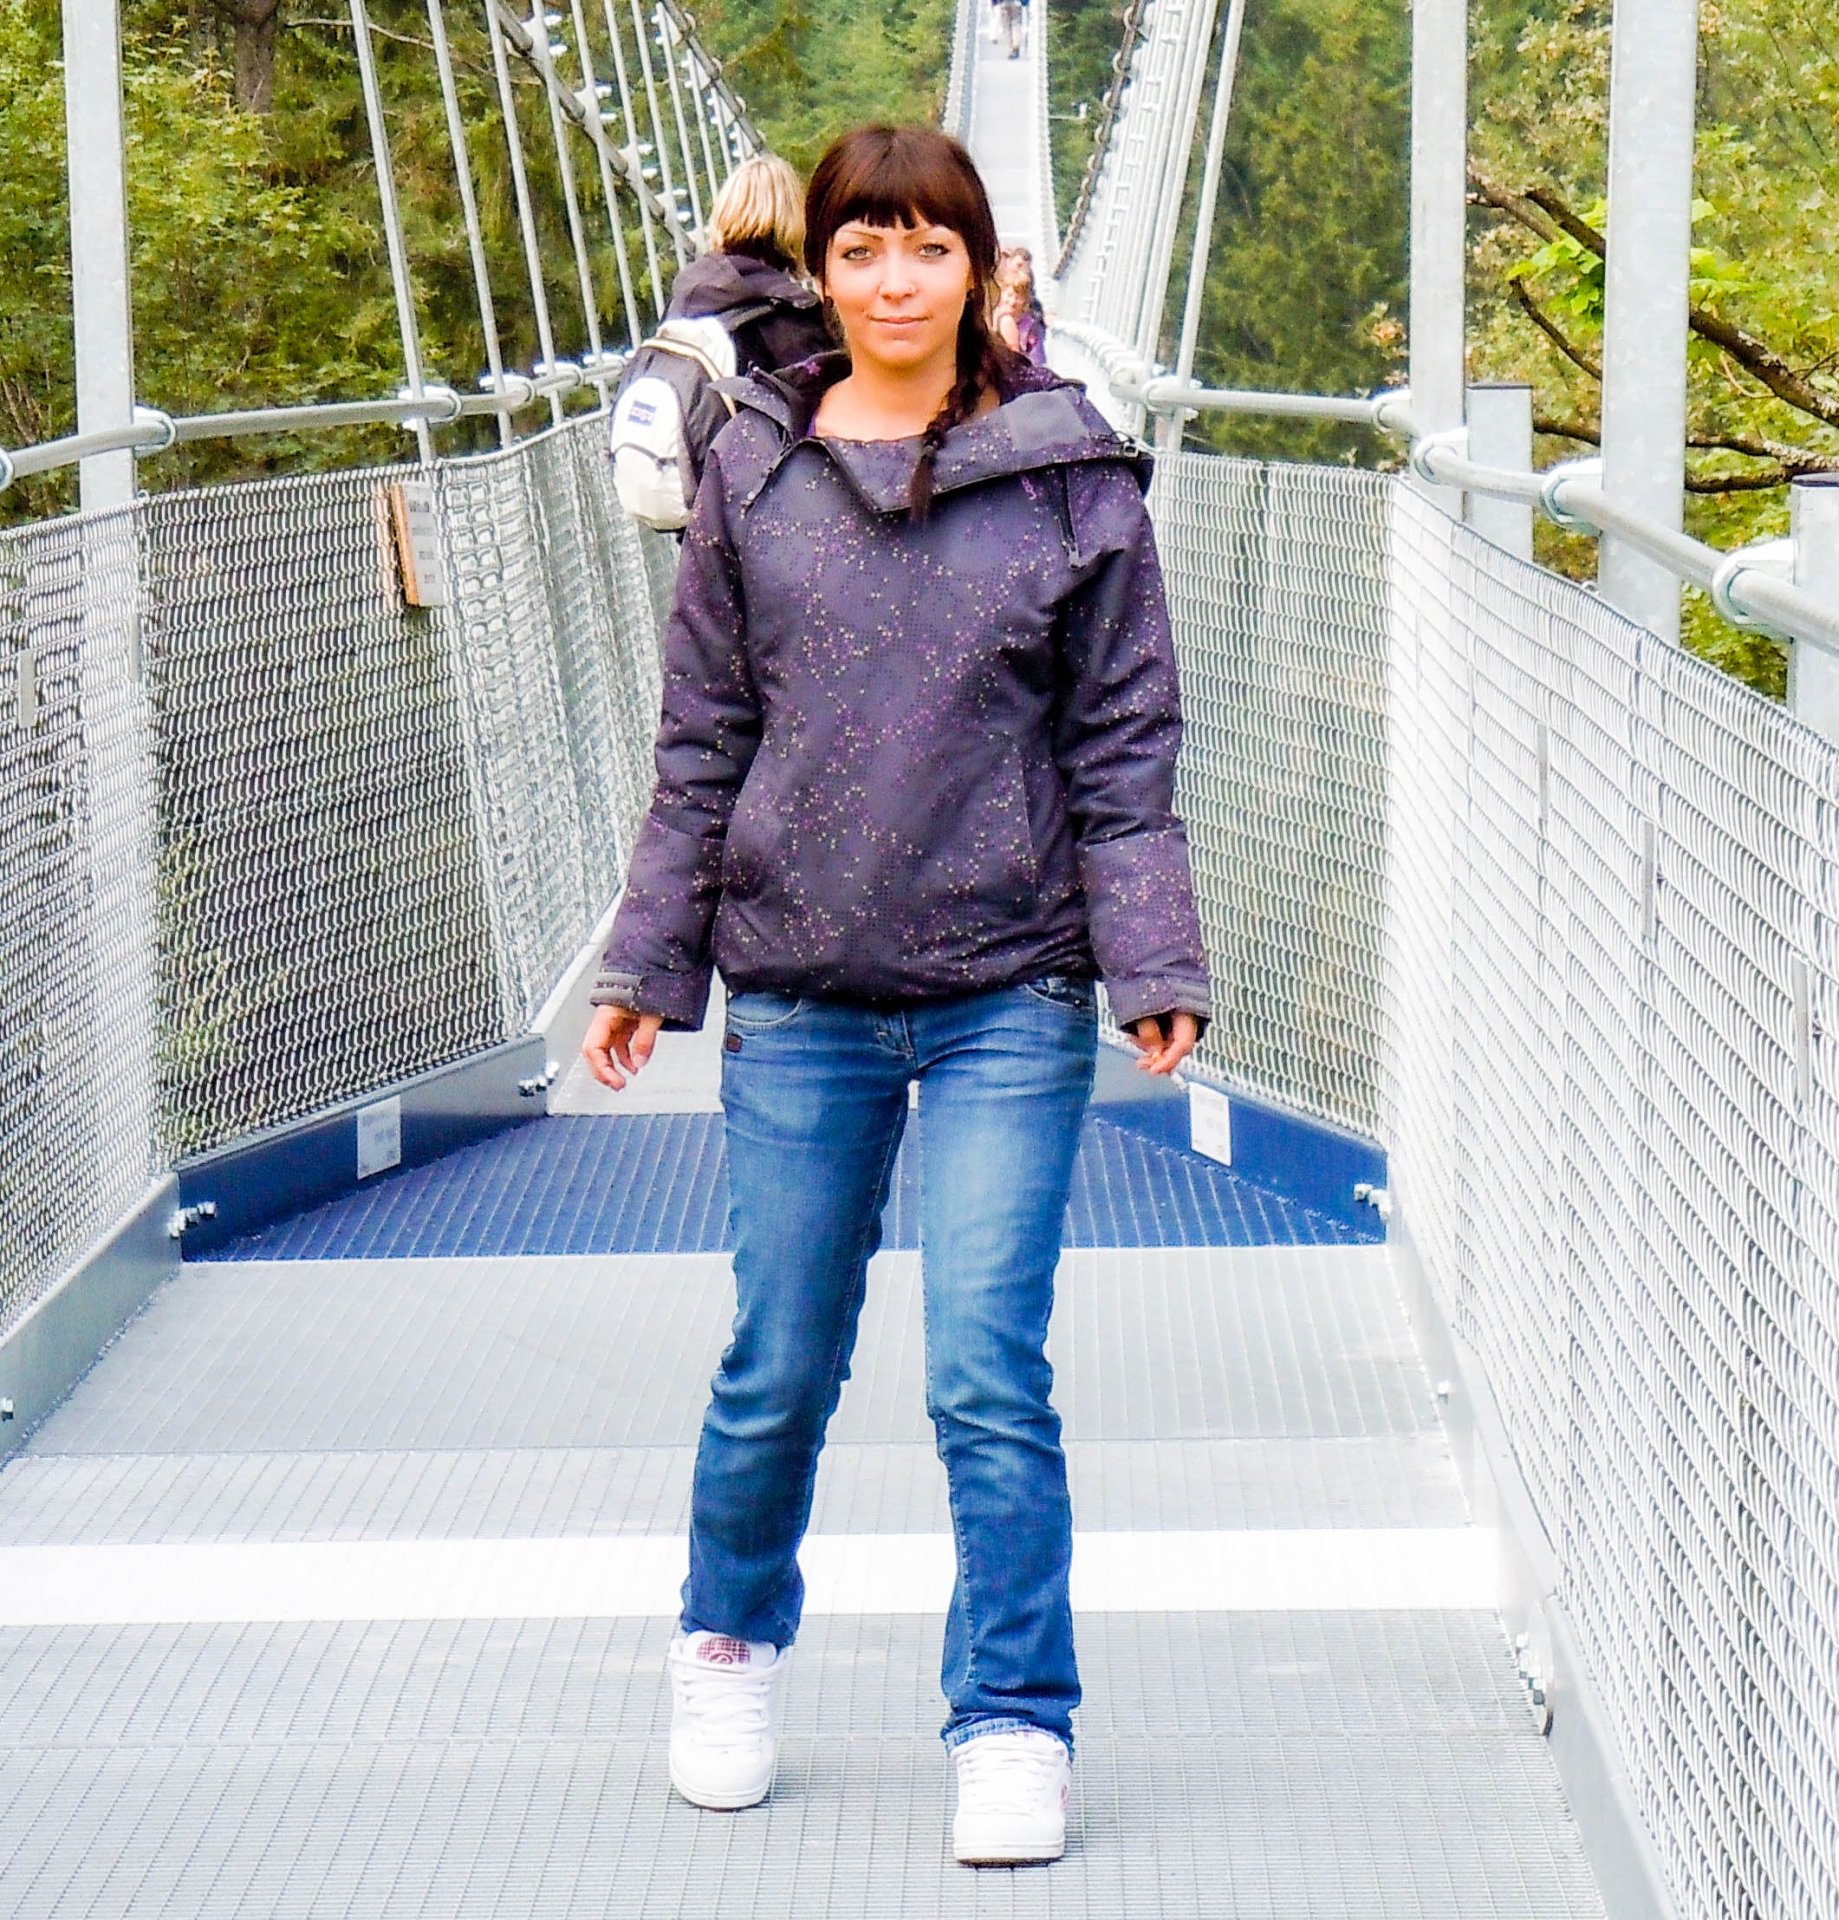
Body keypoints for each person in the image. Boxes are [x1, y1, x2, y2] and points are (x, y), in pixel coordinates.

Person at [582, 123, 1209, 1867]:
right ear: (820, 270)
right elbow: (702, 740)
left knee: (985, 1371)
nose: (892, 280)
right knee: (777, 1360)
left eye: (928, 247)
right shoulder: (751, 471)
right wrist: (648, 960)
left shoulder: (1070, 477)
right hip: (801, 985)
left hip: (1009, 982)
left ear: (980, 272)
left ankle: (1011, 1719)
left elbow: (1121, 741)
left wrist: (1150, 954)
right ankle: (725, 1644)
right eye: (860, 247)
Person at [609, 153, 831, 525]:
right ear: (794, 223)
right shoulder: (791, 318)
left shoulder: (685, 300)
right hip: (775, 524)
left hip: (701, 520)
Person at [994, 249, 1046, 363]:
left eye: (1018, 298)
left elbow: (1037, 361)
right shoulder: (991, 317)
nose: (1012, 301)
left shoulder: (1031, 327)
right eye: (1009, 295)